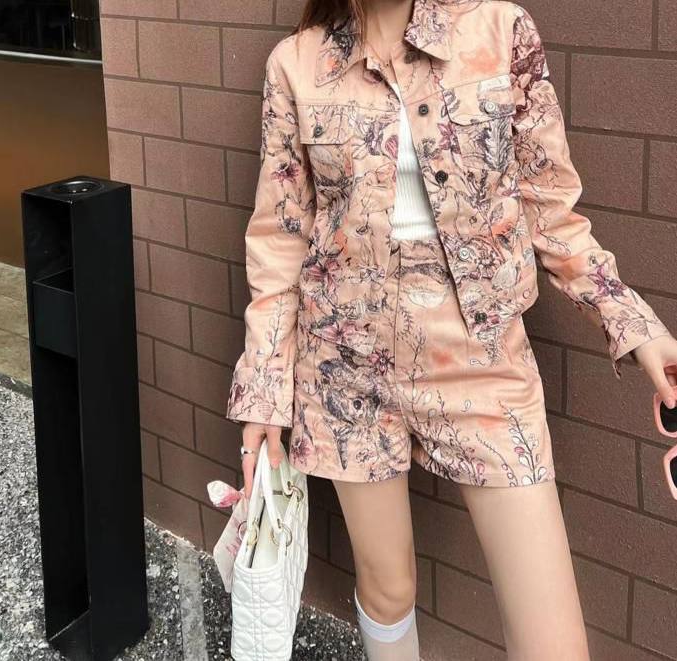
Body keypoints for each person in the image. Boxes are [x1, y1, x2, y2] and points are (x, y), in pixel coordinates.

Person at [225, 1, 677, 658]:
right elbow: (280, 239)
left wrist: (634, 325)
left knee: (553, 641)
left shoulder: (498, 31)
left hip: (482, 361)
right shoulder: (295, 64)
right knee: (387, 590)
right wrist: (264, 390)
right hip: (344, 368)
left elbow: (551, 213)